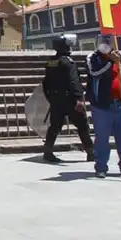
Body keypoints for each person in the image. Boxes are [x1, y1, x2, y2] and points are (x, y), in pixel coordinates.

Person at [86, 36, 121, 179]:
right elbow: (95, 73)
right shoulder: (93, 58)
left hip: (120, 104)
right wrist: (111, 62)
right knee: (102, 138)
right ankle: (101, 167)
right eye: (104, 42)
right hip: (102, 106)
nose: (106, 45)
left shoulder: (118, 59)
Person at [41, 33, 94, 162]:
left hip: (56, 99)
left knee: (55, 126)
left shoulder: (50, 62)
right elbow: (73, 81)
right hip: (70, 99)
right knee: (82, 125)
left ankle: (47, 152)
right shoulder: (68, 63)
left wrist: (50, 97)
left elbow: (45, 83)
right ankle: (91, 152)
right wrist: (79, 99)